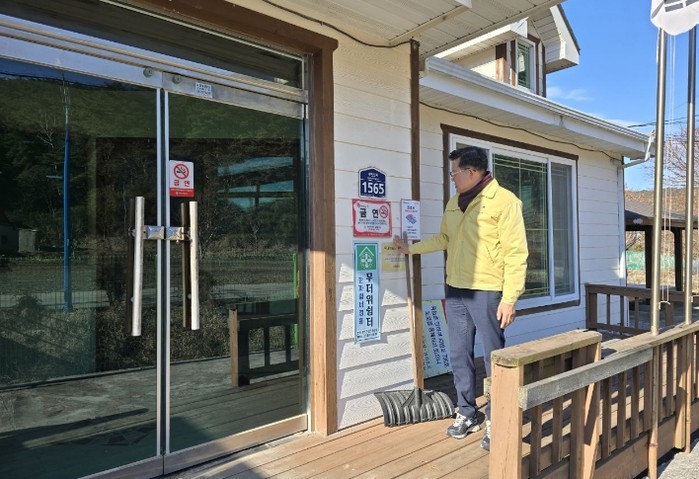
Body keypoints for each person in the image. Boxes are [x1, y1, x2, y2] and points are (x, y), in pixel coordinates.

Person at [394, 145, 528, 451]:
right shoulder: (454, 202)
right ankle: (467, 412)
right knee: (459, 354)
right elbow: (445, 238)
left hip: (487, 291)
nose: (452, 178)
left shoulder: (504, 201)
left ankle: (497, 418)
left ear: (471, 172)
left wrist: (509, 298)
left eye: (454, 172)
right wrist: (411, 249)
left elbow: (516, 253)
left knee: (494, 358)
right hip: (455, 289)